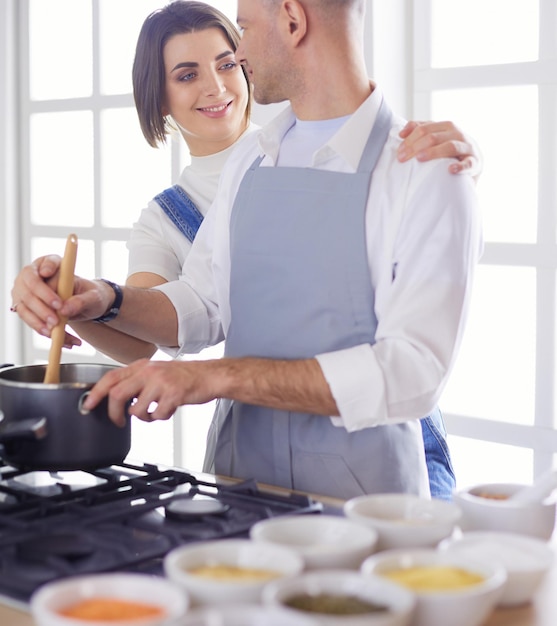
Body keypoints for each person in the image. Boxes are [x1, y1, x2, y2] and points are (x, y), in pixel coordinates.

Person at [12, 0, 482, 501]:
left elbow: (412, 374)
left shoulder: (427, 169)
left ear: (293, 20)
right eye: (188, 73)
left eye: (244, 30)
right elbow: (204, 302)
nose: (237, 54)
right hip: (241, 488)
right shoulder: (250, 161)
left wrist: (213, 376)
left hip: (366, 510)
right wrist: (103, 298)